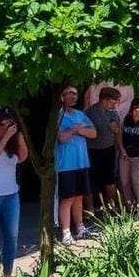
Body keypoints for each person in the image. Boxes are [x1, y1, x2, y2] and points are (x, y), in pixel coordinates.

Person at [55, 85, 97, 245]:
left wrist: (80, 130)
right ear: (62, 96)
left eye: (75, 93)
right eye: (70, 93)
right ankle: (65, 231)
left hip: (82, 162)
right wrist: (75, 129)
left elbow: (93, 133)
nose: (73, 96)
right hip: (66, 164)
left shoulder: (81, 114)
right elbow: (61, 138)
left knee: (79, 196)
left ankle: (80, 227)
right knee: (67, 198)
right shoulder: (58, 116)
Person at [0, 111, 27, 277]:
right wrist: (5, 138)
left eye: (9, 125)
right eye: (2, 125)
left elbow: (23, 157)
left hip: (11, 195)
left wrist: (18, 136)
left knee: (11, 236)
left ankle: (7, 274)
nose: (6, 129)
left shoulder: (12, 144)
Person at [84, 86, 122, 214]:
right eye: (112, 102)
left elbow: (118, 132)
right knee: (91, 179)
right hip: (92, 150)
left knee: (110, 178)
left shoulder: (113, 113)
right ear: (104, 100)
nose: (114, 105)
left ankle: (111, 207)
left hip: (109, 150)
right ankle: (90, 209)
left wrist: (120, 147)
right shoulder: (90, 113)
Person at [119, 98, 139, 215]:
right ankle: (129, 206)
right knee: (124, 182)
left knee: (138, 181)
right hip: (125, 155)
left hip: (137, 156)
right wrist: (122, 151)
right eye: (134, 110)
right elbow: (120, 137)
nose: (137, 114)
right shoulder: (126, 120)